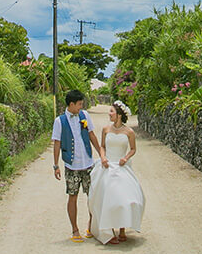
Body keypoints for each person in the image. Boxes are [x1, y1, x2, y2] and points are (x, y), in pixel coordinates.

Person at [87, 99, 145, 245]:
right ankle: (108, 230)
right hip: (107, 165)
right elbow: (102, 146)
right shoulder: (106, 129)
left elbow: (133, 149)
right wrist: (103, 158)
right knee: (107, 198)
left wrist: (125, 158)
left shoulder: (129, 132)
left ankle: (123, 229)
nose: (109, 114)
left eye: (111, 111)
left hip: (121, 166)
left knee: (124, 198)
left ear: (119, 114)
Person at [52, 89, 102, 242]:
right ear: (71, 104)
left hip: (88, 163)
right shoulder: (59, 121)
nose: (81, 106)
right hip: (71, 165)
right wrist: (56, 165)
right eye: (79, 104)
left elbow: (91, 134)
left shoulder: (85, 115)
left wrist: (101, 153)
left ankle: (91, 226)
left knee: (92, 197)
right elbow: (57, 143)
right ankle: (75, 230)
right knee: (72, 197)